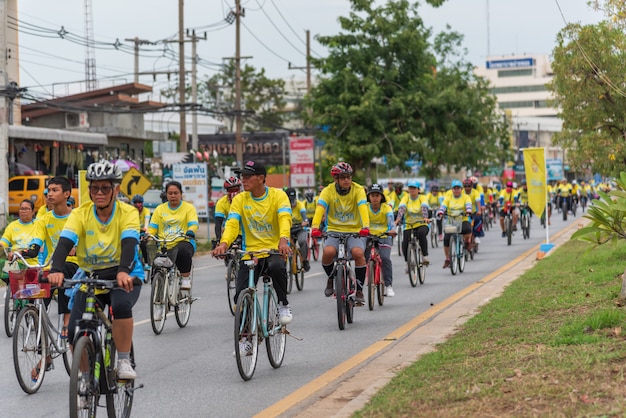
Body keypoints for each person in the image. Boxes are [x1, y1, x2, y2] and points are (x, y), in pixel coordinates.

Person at [47, 161, 143, 380]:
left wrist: (123, 270)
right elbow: (64, 242)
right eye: (94, 188)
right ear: (88, 189)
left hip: (124, 274)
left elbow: (129, 243)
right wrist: (57, 270)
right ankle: (86, 380)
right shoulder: (80, 214)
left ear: (116, 190)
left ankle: (123, 360)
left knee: (120, 306)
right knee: (73, 331)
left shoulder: (127, 212)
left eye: (105, 188)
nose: (99, 193)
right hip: (91, 275)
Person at [211, 160, 293, 325]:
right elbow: (232, 224)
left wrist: (283, 240)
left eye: (248, 176)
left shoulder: (278, 195)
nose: (243, 180)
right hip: (250, 252)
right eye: (242, 176)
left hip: (273, 250)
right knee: (240, 295)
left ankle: (283, 304)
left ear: (261, 178)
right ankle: (245, 338)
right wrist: (224, 244)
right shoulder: (240, 199)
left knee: (277, 267)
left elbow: (285, 218)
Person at [19, 177, 77, 340]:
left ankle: (67, 318)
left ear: (66, 194)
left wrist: (76, 248)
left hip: (73, 264)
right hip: (51, 266)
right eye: (48, 190)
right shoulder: (43, 219)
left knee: (63, 273)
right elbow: (36, 243)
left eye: (54, 190)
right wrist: (25, 252)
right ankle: (44, 349)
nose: (49, 194)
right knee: (37, 283)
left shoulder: (76, 217)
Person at [311, 162, 370, 304]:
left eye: (348, 177)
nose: (346, 180)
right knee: (328, 253)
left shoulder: (358, 189)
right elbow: (320, 208)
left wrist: (366, 226)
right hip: (333, 230)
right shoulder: (327, 191)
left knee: (358, 254)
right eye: (342, 177)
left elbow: (362, 207)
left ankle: (360, 289)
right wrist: (314, 227)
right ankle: (331, 278)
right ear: (335, 179)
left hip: (354, 231)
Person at [147, 181, 199, 290]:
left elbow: (193, 224)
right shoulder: (159, 209)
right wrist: (148, 235)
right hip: (164, 245)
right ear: (166, 194)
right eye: (170, 193)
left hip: (183, 242)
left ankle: (185, 278)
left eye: (176, 193)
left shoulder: (188, 208)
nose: (173, 196)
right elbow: (152, 228)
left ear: (181, 194)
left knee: (182, 250)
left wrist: (191, 231)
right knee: (155, 261)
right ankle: (158, 291)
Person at [365, 184, 396, 296]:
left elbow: (391, 222)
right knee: (362, 257)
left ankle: (388, 286)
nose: (375, 198)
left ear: (381, 197)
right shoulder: (364, 207)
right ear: (369, 197)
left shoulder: (386, 208)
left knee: (385, 258)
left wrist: (392, 230)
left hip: (384, 235)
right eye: (372, 195)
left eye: (377, 195)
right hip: (368, 235)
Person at [437, 180, 473, 269]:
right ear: (452, 190)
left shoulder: (466, 197)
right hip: (452, 220)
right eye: (454, 188)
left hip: (462, 219)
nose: (456, 190)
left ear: (461, 189)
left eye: (458, 188)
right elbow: (443, 205)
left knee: (468, 229)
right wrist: (441, 212)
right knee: (446, 239)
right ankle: (448, 259)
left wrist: (468, 211)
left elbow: (468, 204)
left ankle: (467, 241)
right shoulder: (448, 197)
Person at [395, 179, 430, 266]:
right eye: (410, 188)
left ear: (418, 190)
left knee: (421, 234)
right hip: (409, 225)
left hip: (421, 223)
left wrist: (425, 217)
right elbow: (402, 208)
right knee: (404, 243)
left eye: (414, 188)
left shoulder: (422, 198)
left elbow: (424, 207)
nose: (412, 190)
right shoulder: (405, 198)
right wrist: (398, 219)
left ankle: (425, 256)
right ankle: (408, 263)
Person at [2, 199, 37, 264]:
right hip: (15, 263)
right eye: (21, 209)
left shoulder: (39, 225)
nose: (23, 211)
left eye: (26, 209)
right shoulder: (12, 226)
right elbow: (4, 242)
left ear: (33, 212)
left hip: (34, 264)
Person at [286, 187, 310, 272]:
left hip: (299, 228)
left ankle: (304, 260)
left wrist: (305, 221)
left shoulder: (300, 204)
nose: (292, 202)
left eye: (293, 199)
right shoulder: (284, 206)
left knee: (302, 241)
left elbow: (304, 214)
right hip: (288, 229)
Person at [214, 176, 242, 245]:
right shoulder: (221, 202)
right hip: (229, 232)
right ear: (226, 191)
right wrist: (218, 239)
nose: (234, 192)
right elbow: (218, 223)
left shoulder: (245, 199)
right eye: (231, 190)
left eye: (236, 189)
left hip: (244, 232)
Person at [132, 194, 151, 272]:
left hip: (144, 230)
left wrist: (145, 230)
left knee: (143, 244)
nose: (138, 205)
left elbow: (147, 221)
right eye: (135, 203)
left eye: (140, 202)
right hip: (135, 230)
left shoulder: (146, 211)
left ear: (142, 203)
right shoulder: (132, 211)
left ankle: (146, 263)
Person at [462, 178, 483, 245]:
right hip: (463, 213)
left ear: (471, 186)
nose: (467, 188)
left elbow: (478, 202)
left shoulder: (475, 192)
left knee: (478, 219)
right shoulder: (461, 192)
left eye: (468, 186)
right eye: (465, 186)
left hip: (473, 212)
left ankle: (476, 236)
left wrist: (479, 210)